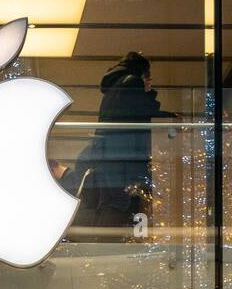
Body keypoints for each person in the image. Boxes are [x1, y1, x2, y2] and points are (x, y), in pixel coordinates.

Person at [73, 51, 171, 228]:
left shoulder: (116, 85)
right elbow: (142, 112)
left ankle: (104, 241)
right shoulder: (131, 82)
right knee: (121, 202)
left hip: (110, 154)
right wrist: (149, 93)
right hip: (123, 155)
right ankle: (108, 242)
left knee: (112, 200)